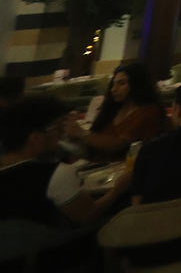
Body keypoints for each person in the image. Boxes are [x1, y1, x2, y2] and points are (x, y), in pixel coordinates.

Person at [1, 94, 132, 264]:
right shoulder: (53, 174)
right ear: (35, 138)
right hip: (50, 256)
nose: (61, 137)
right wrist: (118, 188)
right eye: (57, 130)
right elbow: (89, 214)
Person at [65, 61, 164, 159]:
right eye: (113, 84)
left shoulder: (148, 111)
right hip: (96, 168)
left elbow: (118, 145)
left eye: (121, 83)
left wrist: (82, 134)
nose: (114, 89)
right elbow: (94, 147)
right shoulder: (112, 111)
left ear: (137, 84)